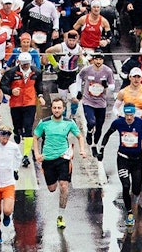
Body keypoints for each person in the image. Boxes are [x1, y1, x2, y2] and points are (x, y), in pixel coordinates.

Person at [32, 97, 87, 229]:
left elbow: (79, 137)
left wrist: (82, 150)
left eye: (59, 108)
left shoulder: (69, 123)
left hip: (63, 158)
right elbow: (35, 137)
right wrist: (37, 154)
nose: (57, 110)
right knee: (52, 189)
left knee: (64, 186)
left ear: (63, 109)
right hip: (48, 159)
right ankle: (52, 177)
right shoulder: (44, 123)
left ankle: (61, 216)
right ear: (51, 109)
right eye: (55, 108)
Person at [99, 104, 142, 228]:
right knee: (126, 185)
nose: (128, 118)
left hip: (137, 160)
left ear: (134, 114)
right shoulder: (118, 123)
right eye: (127, 115)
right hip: (123, 159)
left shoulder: (141, 123)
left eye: (131, 115)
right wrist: (101, 150)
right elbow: (107, 135)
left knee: (136, 188)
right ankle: (130, 213)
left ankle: (135, 204)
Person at [0, 52, 43, 168]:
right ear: (19, 63)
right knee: (17, 127)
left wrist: (40, 96)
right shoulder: (11, 73)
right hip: (16, 104)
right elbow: (3, 85)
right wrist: (11, 91)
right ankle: (17, 132)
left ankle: (26, 155)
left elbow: (39, 85)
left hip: (30, 103)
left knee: (28, 128)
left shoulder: (36, 72)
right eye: (23, 64)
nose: (25, 66)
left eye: (27, 64)